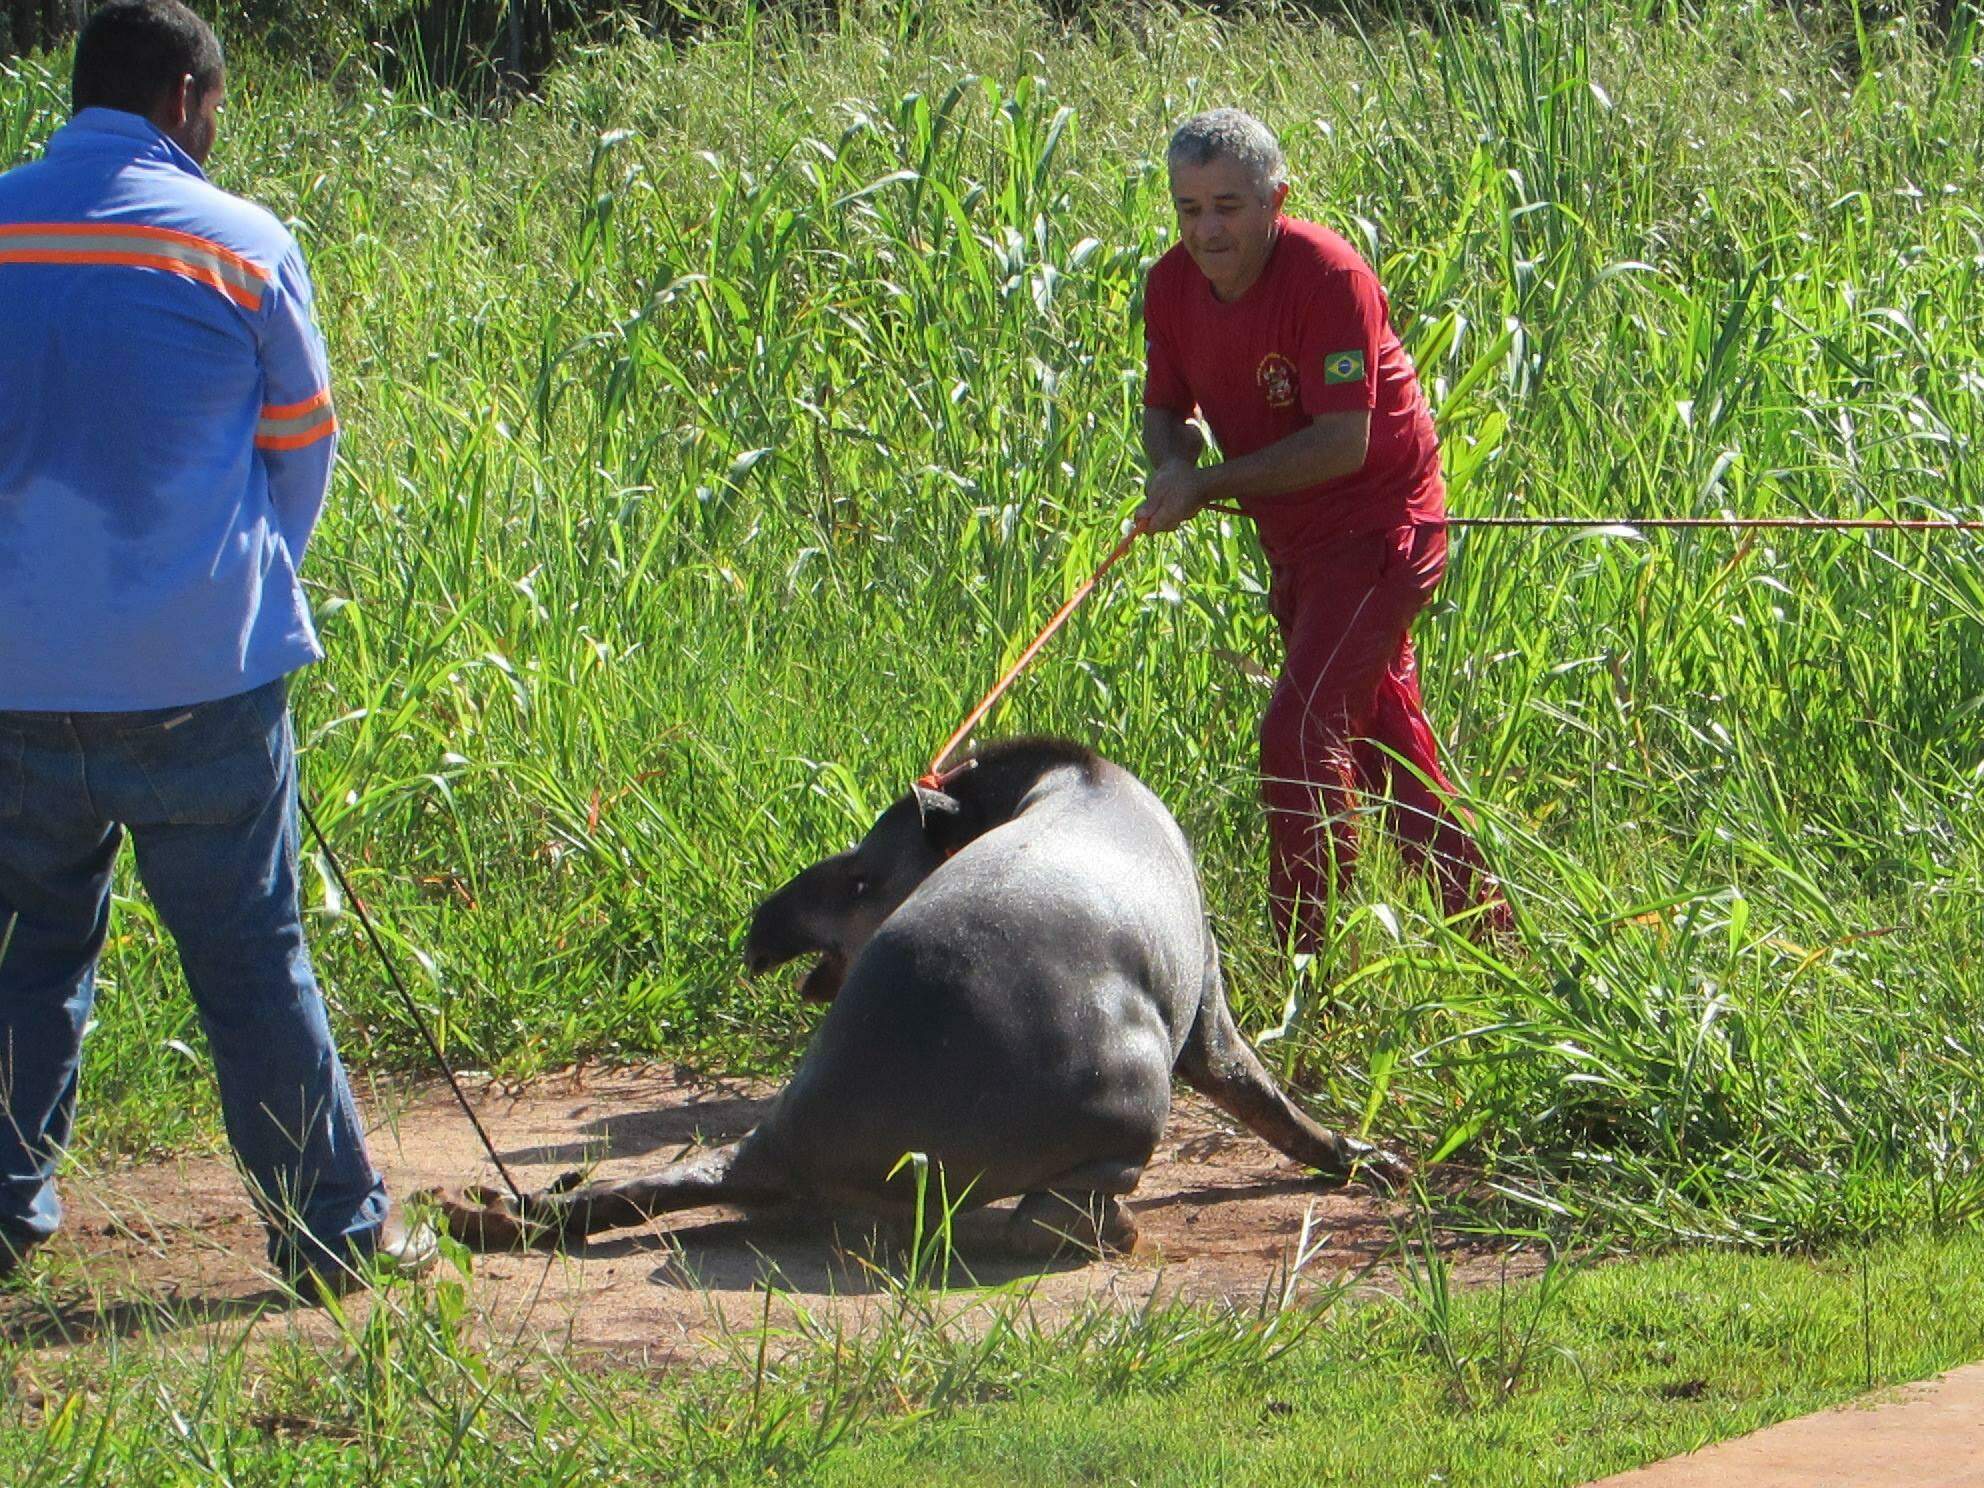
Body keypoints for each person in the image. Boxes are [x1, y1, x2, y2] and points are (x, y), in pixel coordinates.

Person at [0, 0, 432, 1292]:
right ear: (187, 98)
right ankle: (330, 1235)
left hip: (17, 685)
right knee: (252, 956)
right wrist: (238, 581)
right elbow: (303, 447)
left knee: (28, 953)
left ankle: (8, 1207)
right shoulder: (245, 249)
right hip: (205, 681)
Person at [1138, 108, 1507, 949]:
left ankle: (1311, 961)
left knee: (1300, 732)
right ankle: (1494, 945)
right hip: (1297, 546)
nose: (1208, 230)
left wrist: (1209, 483)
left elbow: (1346, 443)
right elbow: (1166, 407)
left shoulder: (1328, 277)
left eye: (1228, 206)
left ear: (1277, 199)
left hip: (1382, 530)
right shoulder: (1170, 286)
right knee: (1382, 748)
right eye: (1189, 209)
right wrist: (1171, 465)